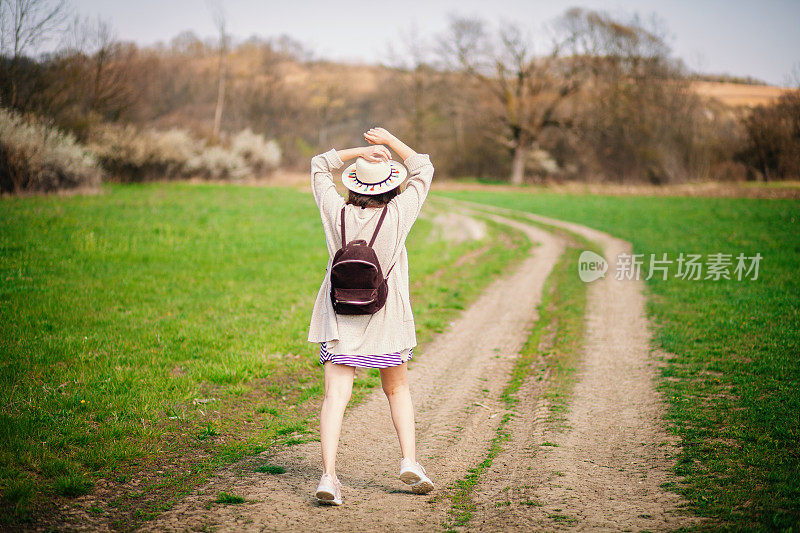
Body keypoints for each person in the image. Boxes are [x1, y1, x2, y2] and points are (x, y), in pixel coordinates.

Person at [307, 127, 435, 506]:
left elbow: (318, 165)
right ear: (390, 188)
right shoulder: (399, 214)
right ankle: (409, 460)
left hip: (339, 318)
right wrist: (391, 143)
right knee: (397, 389)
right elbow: (424, 168)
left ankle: (329, 476)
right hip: (387, 321)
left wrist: (360, 152)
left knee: (335, 398)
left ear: (353, 186)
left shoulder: (337, 212)